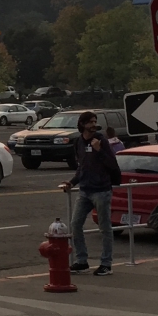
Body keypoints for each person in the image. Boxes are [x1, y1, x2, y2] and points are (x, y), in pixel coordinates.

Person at [57, 111, 121, 276]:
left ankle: (106, 264)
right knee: (75, 224)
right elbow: (82, 167)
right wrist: (72, 182)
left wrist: (99, 150)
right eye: (90, 122)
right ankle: (82, 261)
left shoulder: (101, 141)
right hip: (85, 191)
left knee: (105, 228)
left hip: (101, 191)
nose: (94, 125)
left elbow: (112, 164)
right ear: (82, 124)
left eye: (95, 121)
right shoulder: (78, 142)